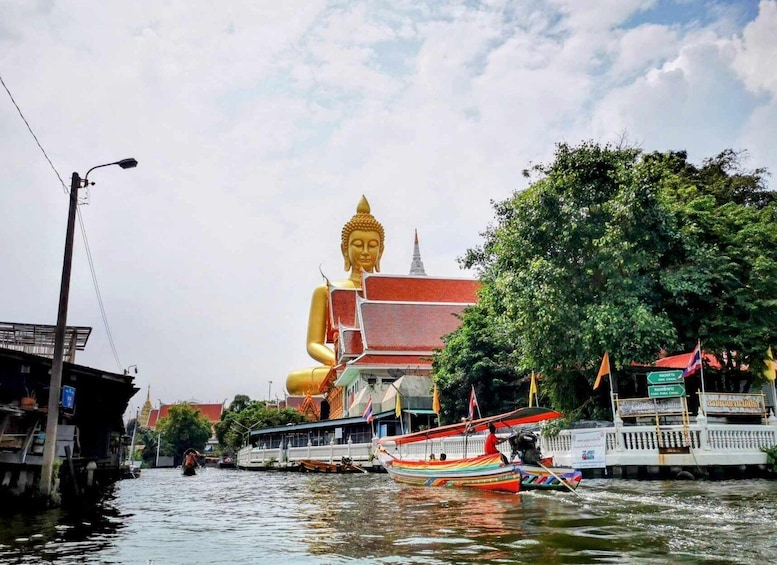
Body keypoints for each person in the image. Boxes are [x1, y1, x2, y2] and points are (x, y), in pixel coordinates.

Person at [286, 196, 386, 396]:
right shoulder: (325, 290)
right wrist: (339, 360)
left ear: (381, 251)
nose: (366, 251)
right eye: (358, 244)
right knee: (294, 381)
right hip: (339, 363)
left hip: (379, 364)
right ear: (345, 250)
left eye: (372, 245)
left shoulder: (389, 291)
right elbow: (313, 345)